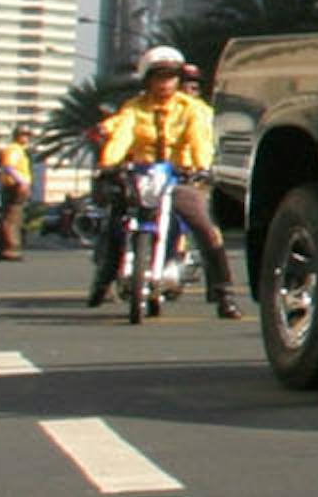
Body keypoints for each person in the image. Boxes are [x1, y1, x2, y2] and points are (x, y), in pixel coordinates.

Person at [90, 48, 235, 317]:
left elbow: (199, 139)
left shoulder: (191, 108)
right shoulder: (134, 107)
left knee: (205, 228)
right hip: (141, 177)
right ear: (147, 79)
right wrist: (108, 163)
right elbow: (121, 135)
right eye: (159, 77)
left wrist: (201, 168)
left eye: (171, 77)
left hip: (179, 178)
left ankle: (224, 294)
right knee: (115, 222)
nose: (165, 83)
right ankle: (104, 279)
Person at [0, 134, 32, 260]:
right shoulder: (14, 149)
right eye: (24, 135)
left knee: (15, 217)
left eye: (28, 136)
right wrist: (22, 182)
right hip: (14, 187)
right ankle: (9, 249)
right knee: (11, 218)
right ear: (17, 136)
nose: (26, 138)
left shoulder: (19, 150)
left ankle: (9, 248)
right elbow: (8, 167)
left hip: (16, 186)